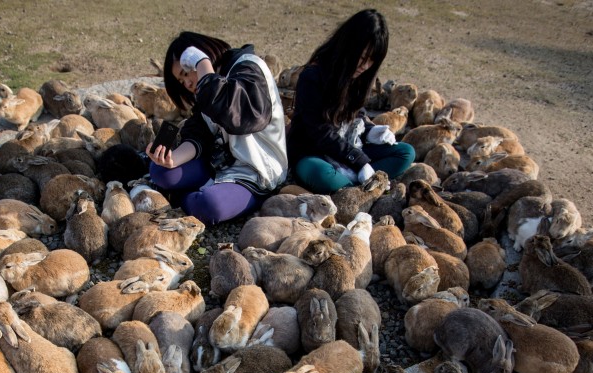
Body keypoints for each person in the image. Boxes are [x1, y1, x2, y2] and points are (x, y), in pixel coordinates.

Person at [146, 32, 287, 226]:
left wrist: (203, 65)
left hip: (255, 171)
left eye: (186, 73)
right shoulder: (206, 85)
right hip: (218, 164)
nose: (187, 83)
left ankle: (188, 198)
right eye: (181, 81)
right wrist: (172, 160)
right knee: (160, 171)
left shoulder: (249, 67)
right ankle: (198, 193)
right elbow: (199, 132)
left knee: (209, 206)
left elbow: (239, 117)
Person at [286, 9, 415, 194]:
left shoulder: (359, 77)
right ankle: (364, 188)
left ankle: (355, 187)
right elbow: (319, 132)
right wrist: (359, 161)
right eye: (362, 58)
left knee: (405, 152)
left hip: (351, 145)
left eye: (372, 61)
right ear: (347, 47)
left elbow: (357, 114)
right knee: (320, 174)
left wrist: (371, 131)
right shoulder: (312, 76)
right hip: (314, 153)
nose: (365, 66)